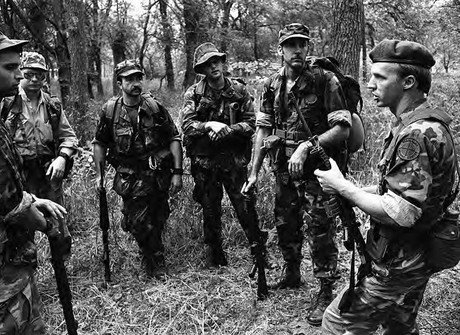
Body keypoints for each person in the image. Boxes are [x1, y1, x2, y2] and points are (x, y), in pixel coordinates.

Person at [317, 39, 455, 335]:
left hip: (400, 260)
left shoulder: (414, 136)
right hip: (420, 252)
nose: (369, 84)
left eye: (379, 77)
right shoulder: (426, 124)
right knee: (400, 325)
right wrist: (356, 191)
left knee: (336, 323)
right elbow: (409, 190)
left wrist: (344, 188)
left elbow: (401, 212)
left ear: (408, 82)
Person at [242, 23, 351, 325]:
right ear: (281, 49)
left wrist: (307, 145)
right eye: (291, 45)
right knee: (285, 221)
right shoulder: (272, 84)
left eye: (302, 43)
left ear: (308, 46)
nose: (297, 50)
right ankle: (292, 273)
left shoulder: (324, 80)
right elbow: (262, 131)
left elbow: (343, 128)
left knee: (320, 227)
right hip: (283, 170)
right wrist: (252, 173)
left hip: (317, 171)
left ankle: (326, 289)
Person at [0, 26, 67, 334]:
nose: (19, 75)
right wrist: (49, 225)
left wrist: (32, 198)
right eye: (9, 68)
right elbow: (11, 207)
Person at [181, 42, 269, 268]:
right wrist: (208, 125)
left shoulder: (238, 90)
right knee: (210, 209)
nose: (213, 67)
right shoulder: (194, 93)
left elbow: (252, 123)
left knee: (245, 206)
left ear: (222, 62)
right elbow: (187, 126)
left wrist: (230, 131)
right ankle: (215, 256)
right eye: (208, 64)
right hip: (205, 163)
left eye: (216, 61)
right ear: (202, 69)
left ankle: (259, 253)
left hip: (234, 162)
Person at [93, 59, 183, 278]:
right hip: (130, 177)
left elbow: (174, 138)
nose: (135, 83)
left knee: (159, 217)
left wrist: (178, 173)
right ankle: (150, 256)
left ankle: (156, 256)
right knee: (139, 222)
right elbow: (99, 143)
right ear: (119, 82)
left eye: (138, 78)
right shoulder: (110, 111)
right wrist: (99, 174)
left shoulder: (154, 107)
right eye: (129, 79)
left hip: (158, 173)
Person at [0, 51, 78, 206]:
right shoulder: (5, 103)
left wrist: (62, 158)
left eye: (40, 75)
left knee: (56, 222)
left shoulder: (52, 105)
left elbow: (69, 137)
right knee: (23, 223)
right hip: (19, 178)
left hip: (49, 176)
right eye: (29, 74)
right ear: (19, 73)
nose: (34, 79)